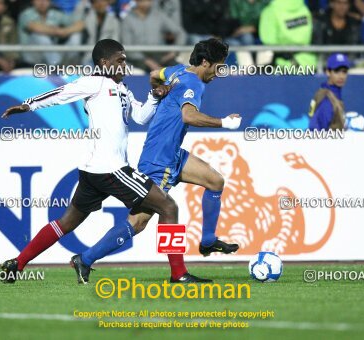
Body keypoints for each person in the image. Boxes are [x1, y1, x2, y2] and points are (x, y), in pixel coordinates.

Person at [0, 39, 176, 284]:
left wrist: (154, 96)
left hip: (93, 171)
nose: (125, 64)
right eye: (120, 60)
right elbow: (59, 94)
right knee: (168, 207)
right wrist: (27, 105)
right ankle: (178, 274)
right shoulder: (93, 82)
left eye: (125, 59)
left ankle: (18, 263)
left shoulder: (122, 87)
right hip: (112, 169)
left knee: (66, 222)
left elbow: (141, 117)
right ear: (104, 63)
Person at [79, 38, 242, 283]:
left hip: (172, 153)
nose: (219, 73)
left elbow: (155, 74)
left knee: (215, 181)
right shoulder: (193, 83)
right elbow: (188, 115)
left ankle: (208, 241)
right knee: (138, 222)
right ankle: (86, 258)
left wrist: (160, 89)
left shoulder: (177, 71)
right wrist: (224, 122)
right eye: (218, 67)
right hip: (159, 160)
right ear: (206, 63)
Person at [121, 0, 186, 72]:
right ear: (136, 1)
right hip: (138, 59)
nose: (147, 2)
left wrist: (173, 52)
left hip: (160, 57)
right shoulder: (127, 19)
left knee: (180, 69)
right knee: (148, 71)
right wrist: (147, 61)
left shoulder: (159, 15)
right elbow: (128, 47)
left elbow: (180, 33)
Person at [18, 0, 84, 65]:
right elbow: (35, 27)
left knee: (76, 35)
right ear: (32, 1)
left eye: (45, 0)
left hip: (54, 54)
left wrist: (65, 31)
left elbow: (80, 24)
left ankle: (71, 64)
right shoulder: (26, 14)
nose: (42, 2)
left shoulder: (55, 13)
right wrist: (57, 32)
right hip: (32, 56)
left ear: (50, 2)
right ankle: (56, 66)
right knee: (40, 36)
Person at [259, 0, 317, 67]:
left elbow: (269, 41)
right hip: (309, 63)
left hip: (284, 66)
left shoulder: (270, 11)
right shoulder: (304, 8)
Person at [308, 53, 349, 131]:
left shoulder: (329, 94)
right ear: (328, 72)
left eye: (344, 71)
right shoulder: (326, 99)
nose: (341, 76)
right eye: (336, 71)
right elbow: (318, 129)